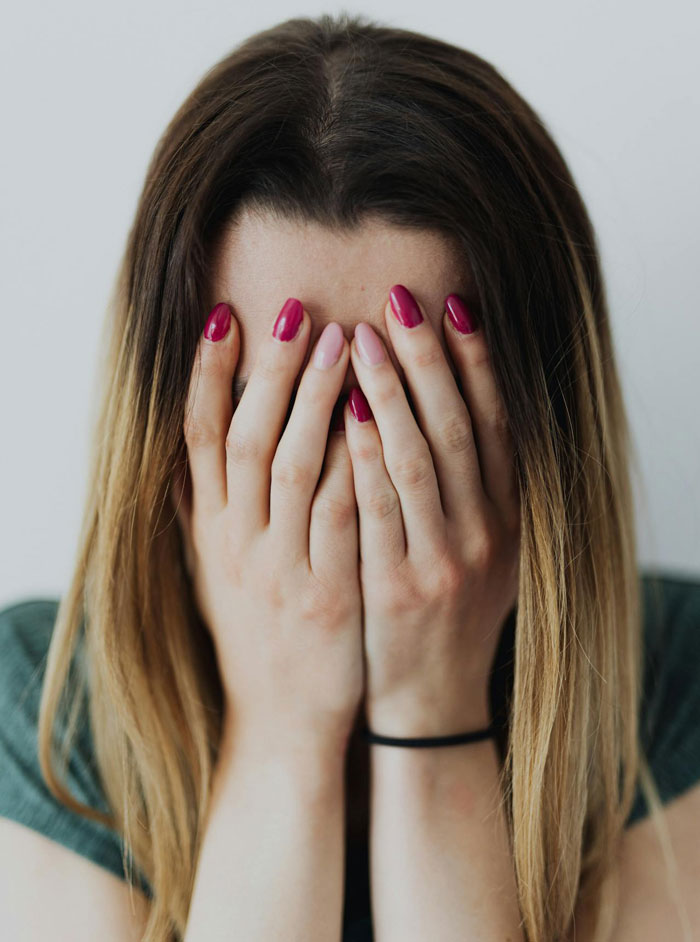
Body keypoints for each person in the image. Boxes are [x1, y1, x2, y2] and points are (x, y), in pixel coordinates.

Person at [1, 12, 699, 942]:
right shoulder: (47, 712)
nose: (356, 473)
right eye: (279, 407)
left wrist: (434, 719)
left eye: (410, 402)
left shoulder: (672, 685)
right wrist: (282, 740)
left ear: (538, 429)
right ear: (173, 428)